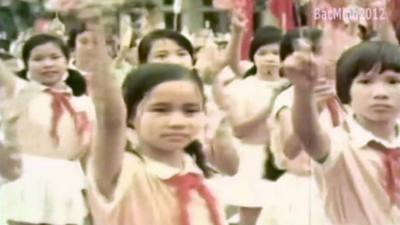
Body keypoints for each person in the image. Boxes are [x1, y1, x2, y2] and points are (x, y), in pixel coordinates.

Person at [87, 30, 229, 223]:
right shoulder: (124, 171)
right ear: (130, 116)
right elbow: (111, 120)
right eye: (160, 110)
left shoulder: (199, 172)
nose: (177, 122)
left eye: (190, 110)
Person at [285, 40, 400, 224]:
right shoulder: (339, 144)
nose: (380, 93)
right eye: (365, 82)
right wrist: (303, 91)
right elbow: (308, 135)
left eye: (393, 81)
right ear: (347, 91)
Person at [0, 33, 94, 225]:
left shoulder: (82, 103)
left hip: (67, 178)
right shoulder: (20, 92)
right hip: (27, 178)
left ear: (68, 60)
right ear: (26, 63)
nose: (48, 64)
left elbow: (88, 151)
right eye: (38, 59)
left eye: (55, 57)